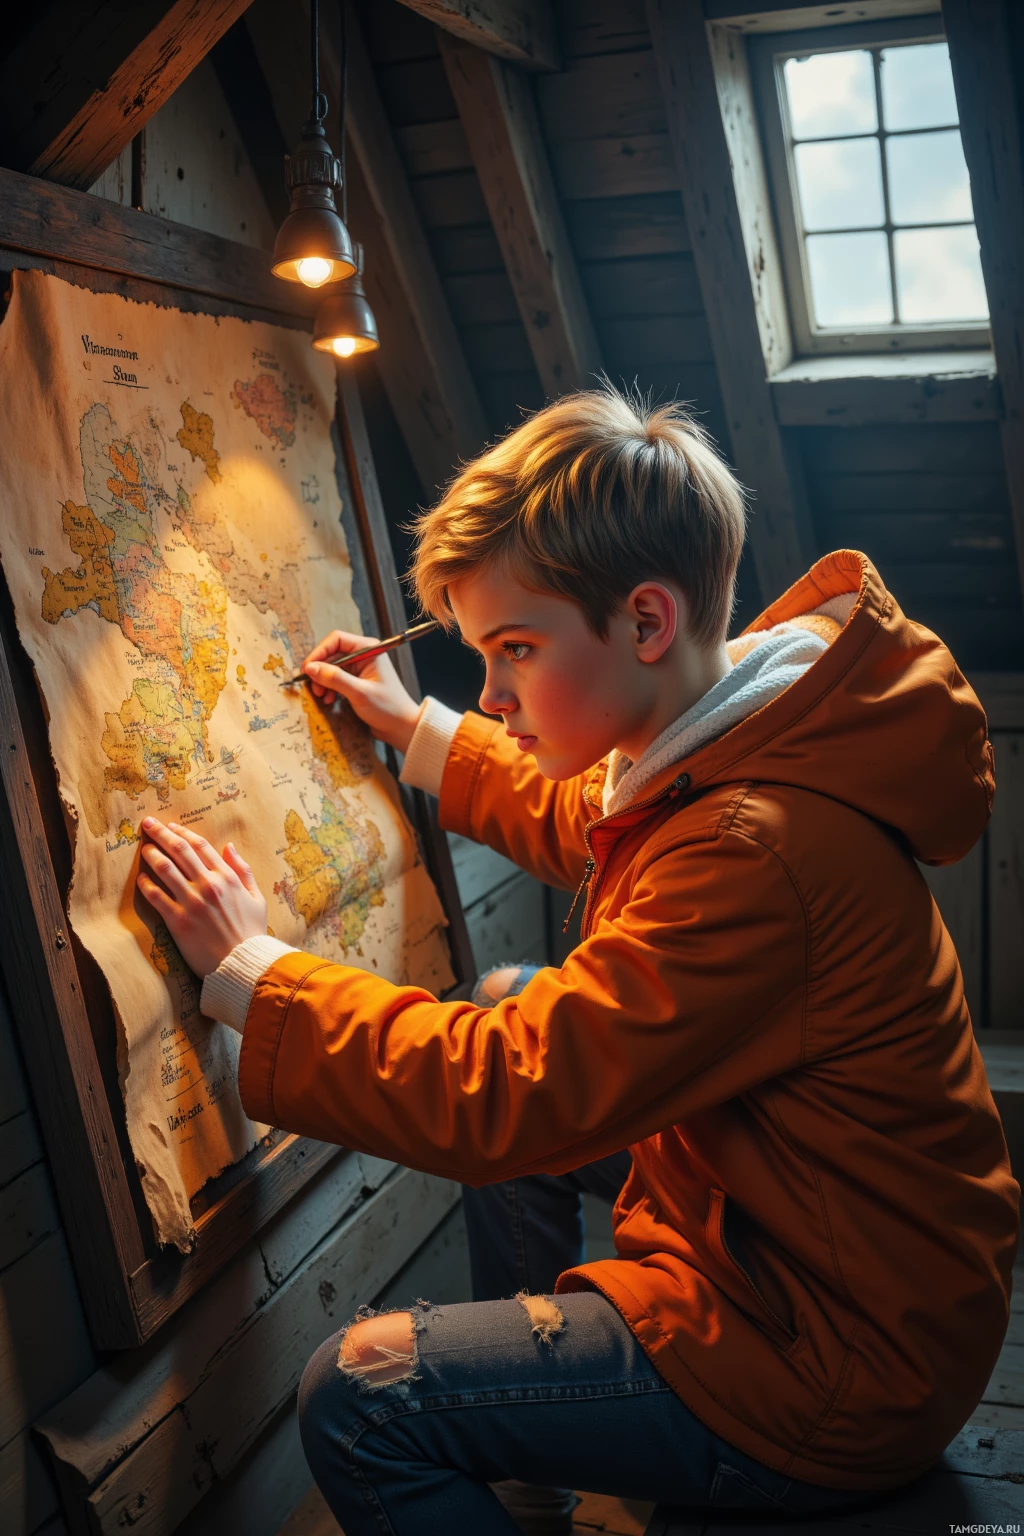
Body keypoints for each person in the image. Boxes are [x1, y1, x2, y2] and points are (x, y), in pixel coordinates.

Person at [137, 387, 1019, 1536]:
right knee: (509, 990)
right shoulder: (738, 726)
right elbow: (588, 814)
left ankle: (514, 1441)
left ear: (645, 622)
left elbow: (509, 1088)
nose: (492, 698)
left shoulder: (756, 852)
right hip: (819, 1252)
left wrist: (254, 969)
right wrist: (414, 729)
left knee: (359, 1399)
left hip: (836, 1362)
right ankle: (533, 1468)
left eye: (512, 652)